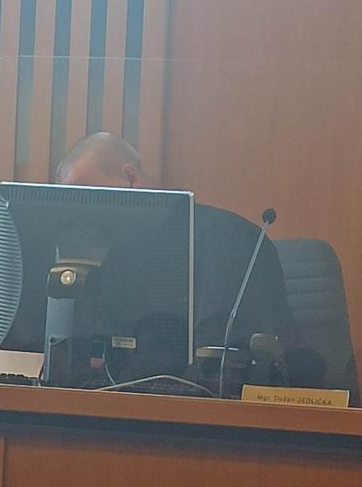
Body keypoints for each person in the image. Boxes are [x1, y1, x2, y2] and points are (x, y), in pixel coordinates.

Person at [55, 132, 296, 359]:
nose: (82, 214)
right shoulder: (121, 256)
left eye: (88, 197)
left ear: (130, 178)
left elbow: (224, 356)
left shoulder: (226, 238)